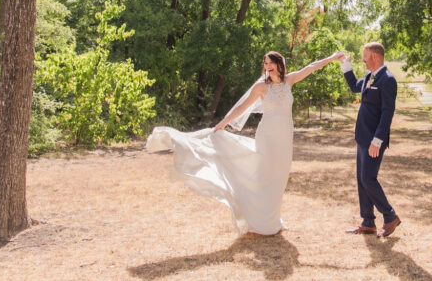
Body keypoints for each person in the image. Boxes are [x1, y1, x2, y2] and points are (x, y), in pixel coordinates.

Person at [145, 50, 343, 236]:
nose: (267, 67)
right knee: (265, 175)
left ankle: (274, 220)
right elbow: (242, 107)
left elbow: (312, 66)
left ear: (279, 64)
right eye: (265, 64)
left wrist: (332, 58)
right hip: (267, 136)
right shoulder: (261, 87)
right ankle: (262, 223)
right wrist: (223, 123)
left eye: (270, 63)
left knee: (279, 178)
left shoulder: (289, 80)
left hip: (285, 138)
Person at [339, 42, 401, 238]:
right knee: (361, 179)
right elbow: (353, 86)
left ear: (375, 56)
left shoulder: (388, 79)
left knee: (368, 179)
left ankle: (390, 216)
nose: (363, 60)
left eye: (365, 56)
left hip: (374, 139)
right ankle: (368, 221)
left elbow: (387, 112)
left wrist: (378, 139)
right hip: (362, 137)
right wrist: (345, 66)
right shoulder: (369, 77)